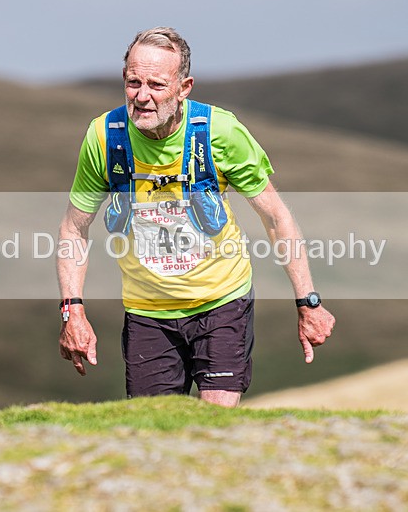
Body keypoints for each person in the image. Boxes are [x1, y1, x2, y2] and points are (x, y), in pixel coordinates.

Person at [57, 27, 334, 408]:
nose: (142, 96)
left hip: (222, 302)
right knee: (154, 428)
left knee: (214, 422)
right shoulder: (104, 137)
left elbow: (276, 217)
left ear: (184, 87)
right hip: (147, 311)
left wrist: (308, 301)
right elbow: (74, 228)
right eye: (133, 82)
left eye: (156, 85)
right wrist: (72, 310)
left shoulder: (220, 131)